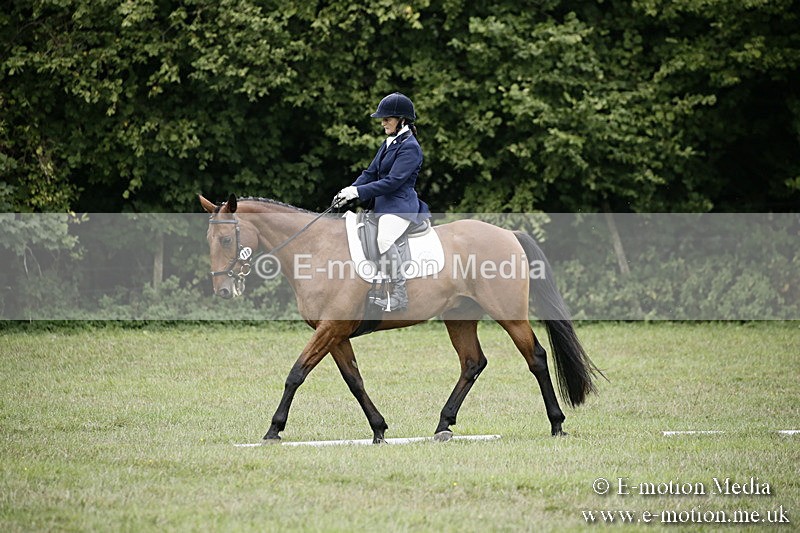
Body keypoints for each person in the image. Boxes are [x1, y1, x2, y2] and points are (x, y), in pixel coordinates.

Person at [333, 92, 431, 312]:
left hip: (399, 207)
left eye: (388, 118)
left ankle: (399, 294)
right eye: (383, 118)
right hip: (383, 206)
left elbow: (392, 182)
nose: (383, 122)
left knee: (384, 240)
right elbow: (370, 173)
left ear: (402, 120)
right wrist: (348, 190)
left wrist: (359, 192)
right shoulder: (389, 143)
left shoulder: (411, 147)